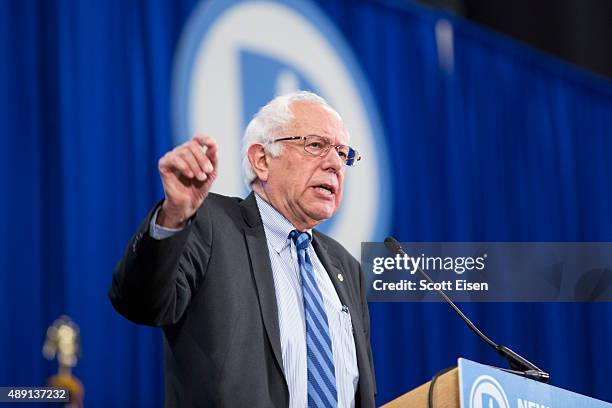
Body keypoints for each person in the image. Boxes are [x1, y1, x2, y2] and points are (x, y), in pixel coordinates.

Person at [109, 91, 376, 407]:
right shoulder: (211, 225)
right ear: (262, 160)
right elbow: (139, 302)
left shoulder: (346, 267)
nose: (335, 164)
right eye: (316, 146)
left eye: (343, 153)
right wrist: (174, 215)